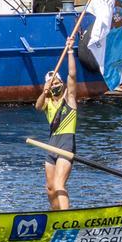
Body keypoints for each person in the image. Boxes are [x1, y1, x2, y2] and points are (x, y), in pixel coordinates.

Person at [36, 36, 78, 210]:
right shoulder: (47, 103)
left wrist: (69, 50)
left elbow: (72, 76)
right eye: (51, 85)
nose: (55, 87)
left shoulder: (69, 99)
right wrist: (44, 93)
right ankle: (55, 215)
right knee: (50, 187)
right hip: (52, 144)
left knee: (60, 184)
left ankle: (65, 218)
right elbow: (37, 106)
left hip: (66, 144)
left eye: (57, 83)